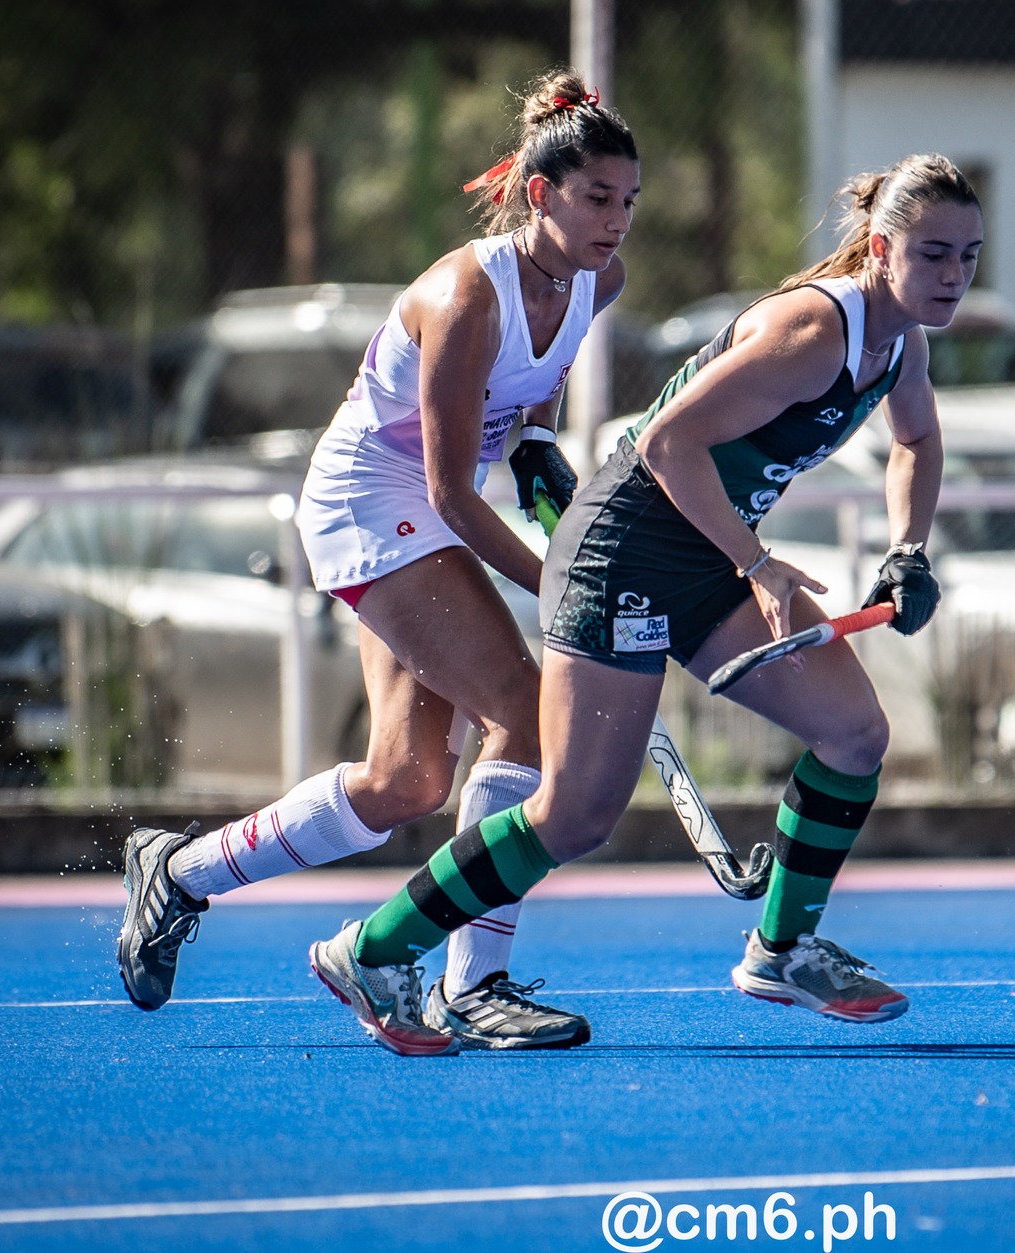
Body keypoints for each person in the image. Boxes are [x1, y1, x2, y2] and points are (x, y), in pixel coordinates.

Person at [308, 154, 977, 1051]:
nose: (953, 275)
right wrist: (757, 560)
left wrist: (906, 551)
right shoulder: (815, 330)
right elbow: (666, 443)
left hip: (703, 555)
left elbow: (918, 439)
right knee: (574, 816)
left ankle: (781, 949)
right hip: (622, 549)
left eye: (968, 256)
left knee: (855, 734)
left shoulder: (901, 345)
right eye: (934, 253)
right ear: (882, 248)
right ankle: (372, 949)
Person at [117, 70, 640, 1053]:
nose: (615, 222)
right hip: (371, 497)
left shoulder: (595, 280)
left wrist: (535, 440)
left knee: (406, 781)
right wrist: (561, 586)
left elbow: (533, 391)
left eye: (628, 202)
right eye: (596, 198)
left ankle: (178, 873)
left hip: (425, 506)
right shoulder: (464, 297)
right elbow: (448, 495)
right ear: (540, 193)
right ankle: (471, 985)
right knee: (523, 710)